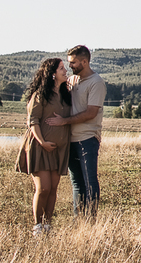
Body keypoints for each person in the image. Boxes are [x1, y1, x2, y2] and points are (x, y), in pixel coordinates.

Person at [46, 45, 106, 219]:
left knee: (89, 181)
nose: (70, 66)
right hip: (70, 139)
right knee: (77, 183)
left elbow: (91, 113)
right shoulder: (72, 80)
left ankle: (90, 219)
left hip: (87, 138)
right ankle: (78, 219)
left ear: (84, 62)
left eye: (73, 62)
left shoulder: (96, 83)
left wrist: (63, 121)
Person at [16, 57, 71, 235]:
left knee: (53, 189)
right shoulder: (40, 95)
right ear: (52, 74)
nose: (65, 71)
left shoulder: (65, 94)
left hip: (58, 149)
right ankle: (37, 226)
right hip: (40, 148)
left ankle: (48, 224)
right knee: (43, 188)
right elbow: (33, 121)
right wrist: (42, 142)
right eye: (61, 68)